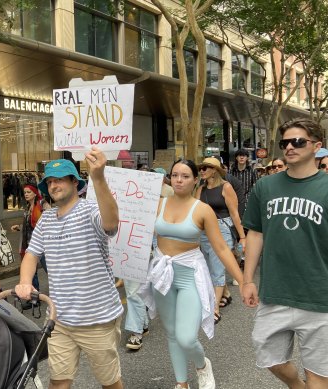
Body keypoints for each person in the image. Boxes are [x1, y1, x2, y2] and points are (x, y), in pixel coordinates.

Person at [15, 148, 124, 389]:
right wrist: (24, 281)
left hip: (98, 318)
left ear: (75, 182)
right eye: (50, 182)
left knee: (110, 383)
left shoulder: (90, 210)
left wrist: (98, 177)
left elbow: (111, 222)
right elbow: (32, 254)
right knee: (59, 382)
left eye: (60, 179)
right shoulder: (46, 219)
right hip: (59, 318)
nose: (53, 185)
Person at [140, 159, 244, 389]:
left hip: (189, 278)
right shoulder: (157, 204)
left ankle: (202, 365)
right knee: (172, 334)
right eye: (175, 175)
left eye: (185, 176)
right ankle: (181, 383)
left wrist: (244, 281)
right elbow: (132, 230)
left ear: (196, 180)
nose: (179, 180)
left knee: (187, 337)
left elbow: (221, 248)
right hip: (162, 276)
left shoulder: (202, 209)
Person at [241, 118, 328, 389]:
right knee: (270, 359)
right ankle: (296, 386)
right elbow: (255, 233)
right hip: (275, 292)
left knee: (319, 374)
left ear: (317, 146)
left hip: (319, 296)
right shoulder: (265, 187)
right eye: (285, 143)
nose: (289, 147)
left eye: (298, 141)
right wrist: (247, 280)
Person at [196, 157, 246, 324]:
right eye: (201, 168)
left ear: (215, 170)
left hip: (222, 230)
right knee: (209, 268)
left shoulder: (226, 187)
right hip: (204, 231)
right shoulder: (200, 189)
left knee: (217, 270)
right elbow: (195, 211)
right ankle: (225, 293)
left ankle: (215, 308)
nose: (202, 170)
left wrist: (242, 236)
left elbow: (234, 213)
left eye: (205, 168)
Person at [11, 184, 50, 296]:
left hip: (43, 244)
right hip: (29, 243)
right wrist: (18, 226)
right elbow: (28, 225)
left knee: (50, 270)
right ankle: (34, 296)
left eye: (28, 192)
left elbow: (51, 219)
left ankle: (61, 290)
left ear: (34, 193)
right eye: (25, 192)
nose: (26, 194)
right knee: (32, 272)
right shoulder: (28, 207)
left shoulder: (42, 204)